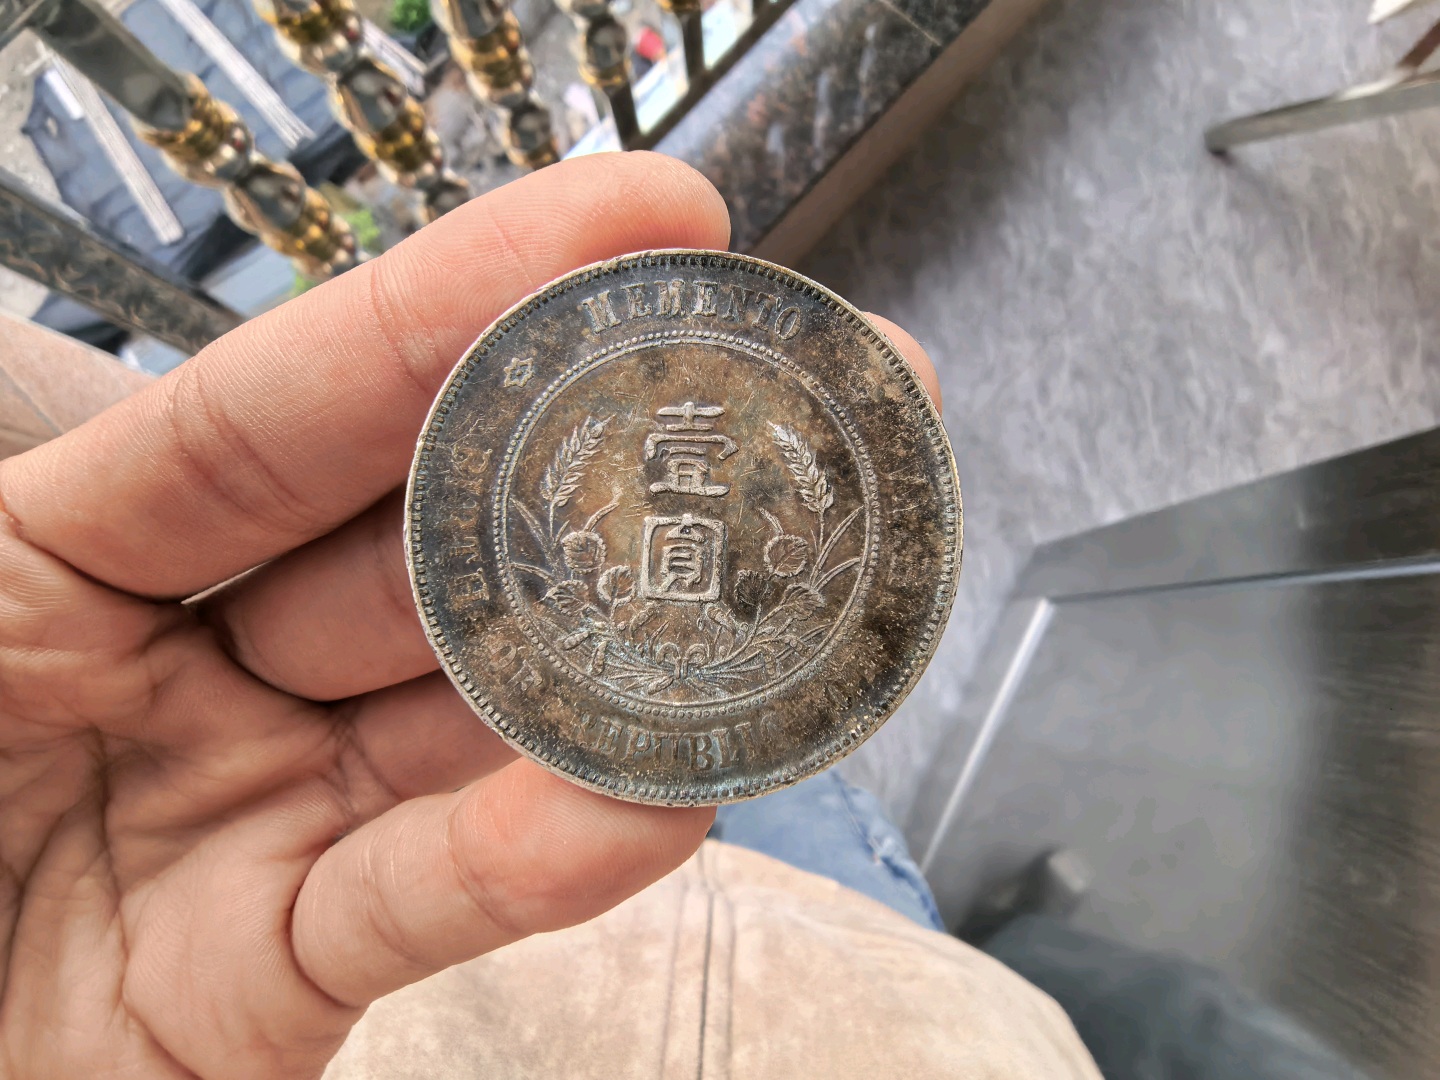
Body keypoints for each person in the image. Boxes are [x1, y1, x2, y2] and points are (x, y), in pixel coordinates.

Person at [0, 151, 1098, 1077]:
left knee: (765, 820)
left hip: (462, 921)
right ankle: (969, 914)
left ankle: (943, 901)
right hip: (828, 1000)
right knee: (858, 889)